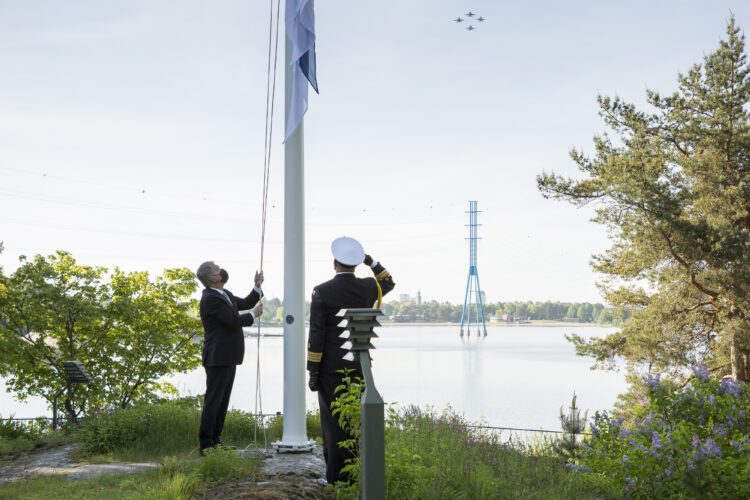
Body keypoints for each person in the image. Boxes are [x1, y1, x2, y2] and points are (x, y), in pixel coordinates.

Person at [306, 237, 395, 485]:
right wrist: (370, 260)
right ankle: (356, 474)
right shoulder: (369, 287)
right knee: (355, 420)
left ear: (334, 263)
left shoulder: (321, 291)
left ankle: (336, 478)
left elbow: (317, 333)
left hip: (330, 368)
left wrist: (312, 370)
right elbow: (388, 281)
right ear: (356, 264)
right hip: (360, 366)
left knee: (332, 423)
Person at [195, 261, 263, 455]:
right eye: (218, 269)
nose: (222, 270)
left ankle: (216, 441)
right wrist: (253, 315)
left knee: (222, 401)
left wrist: (257, 286)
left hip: (228, 356)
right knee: (214, 400)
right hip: (217, 356)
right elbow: (233, 321)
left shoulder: (225, 294)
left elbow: (247, 302)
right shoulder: (210, 299)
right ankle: (206, 444)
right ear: (213, 278)